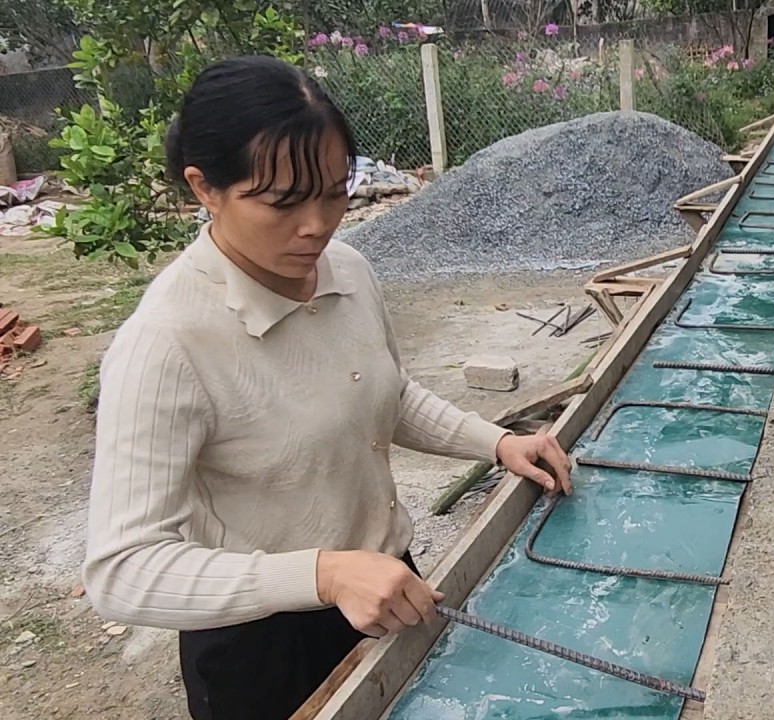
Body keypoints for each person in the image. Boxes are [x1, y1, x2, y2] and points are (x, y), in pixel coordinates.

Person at [80, 55, 573, 720]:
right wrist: (322, 574)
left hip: (386, 587)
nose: (316, 224)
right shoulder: (167, 343)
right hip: (261, 644)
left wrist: (496, 443)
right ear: (205, 188)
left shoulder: (346, 269)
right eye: (282, 202)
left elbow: (385, 395)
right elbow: (122, 570)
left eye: (335, 192)